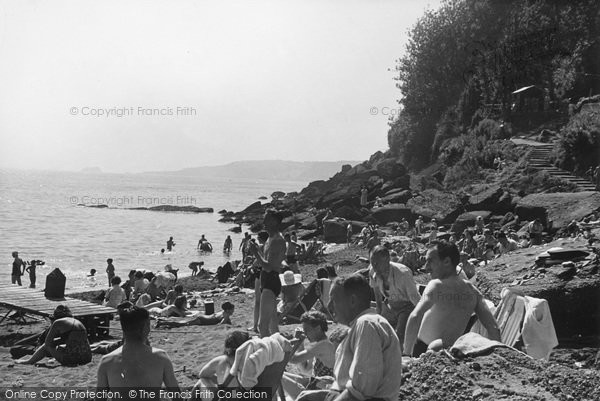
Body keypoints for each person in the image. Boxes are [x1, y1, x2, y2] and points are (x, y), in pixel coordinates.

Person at [297, 275, 402, 401]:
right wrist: (324, 395)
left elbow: (360, 391)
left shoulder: (366, 324)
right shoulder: (359, 326)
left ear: (352, 301)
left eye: (333, 300)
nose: (329, 306)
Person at [403, 241, 501, 357]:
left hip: (423, 349)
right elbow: (494, 328)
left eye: (430, 261)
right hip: (450, 355)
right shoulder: (473, 292)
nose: (427, 267)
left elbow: (415, 316)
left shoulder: (436, 285)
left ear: (447, 261)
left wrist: (406, 354)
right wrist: (498, 357)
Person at [96, 302, 180, 396]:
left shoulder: (106, 361)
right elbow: (176, 396)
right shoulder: (161, 357)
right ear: (146, 327)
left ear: (123, 328)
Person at [369, 246, 420, 345]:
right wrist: (378, 314)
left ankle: (400, 356)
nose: (374, 266)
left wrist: (422, 317)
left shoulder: (403, 274)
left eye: (377, 263)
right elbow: (377, 296)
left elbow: (415, 299)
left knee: (398, 336)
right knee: (380, 331)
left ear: (387, 260)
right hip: (390, 304)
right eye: (372, 262)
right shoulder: (373, 272)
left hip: (407, 306)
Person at [248, 209, 286, 337]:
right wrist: (258, 250)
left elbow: (269, 267)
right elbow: (266, 261)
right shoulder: (270, 238)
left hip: (271, 280)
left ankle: (267, 354)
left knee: (262, 326)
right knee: (273, 326)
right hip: (267, 280)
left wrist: (255, 252)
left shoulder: (277, 241)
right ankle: (280, 353)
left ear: (274, 222)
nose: (264, 221)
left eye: (267, 219)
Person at [282, 311, 336, 399]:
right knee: (281, 375)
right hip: (314, 384)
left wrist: (293, 341)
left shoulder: (324, 345)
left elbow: (293, 359)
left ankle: (256, 395)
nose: (305, 334)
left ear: (318, 328)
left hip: (321, 393)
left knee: (278, 376)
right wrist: (300, 344)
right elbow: (305, 369)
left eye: (307, 330)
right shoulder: (318, 345)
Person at [17, 305, 92, 366]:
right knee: (61, 347)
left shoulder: (57, 322)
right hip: (87, 357)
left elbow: (47, 343)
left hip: (72, 360)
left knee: (47, 346)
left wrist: (54, 344)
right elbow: (72, 340)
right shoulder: (77, 321)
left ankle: (29, 361)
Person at [156, 302, 234, 328]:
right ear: (228, 310)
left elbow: (228, 322)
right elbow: (221, 324)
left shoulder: (223, 312)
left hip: (203, 318)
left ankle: (162, 321)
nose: (233, 311)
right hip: (202, 320)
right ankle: (162, 322)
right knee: (183, 324)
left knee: (182, 322)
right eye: (232, 309)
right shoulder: (226, 316)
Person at [250, 231, 269, 333]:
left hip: (260, 273)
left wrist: (252, 267)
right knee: (265, 301)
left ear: (261, 238)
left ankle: (255, 326)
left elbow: (258, 260)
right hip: (268, 274)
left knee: (258, 301)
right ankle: (260, 324)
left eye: (258, 237)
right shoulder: (270, 246)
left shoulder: (261, 247)